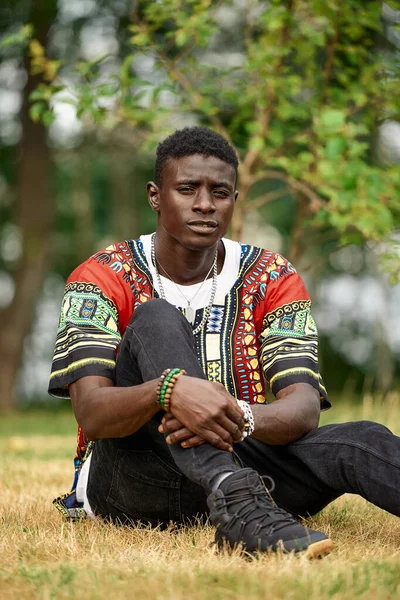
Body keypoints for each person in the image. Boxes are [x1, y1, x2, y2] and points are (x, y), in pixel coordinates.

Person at [49, 126, 399, 559]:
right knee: (156, 316)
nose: (204, 204)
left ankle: (239, 501)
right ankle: (236, 500)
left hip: (252, 469)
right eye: (187, 188)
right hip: (135, 481)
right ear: (155, 196)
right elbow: (93, 415)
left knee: (362, 441)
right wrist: (169, 391)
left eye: (220, 192)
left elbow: (303, 408)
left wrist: (237, 415)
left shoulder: (272, 276)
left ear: (234, 200)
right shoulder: (101, 278)